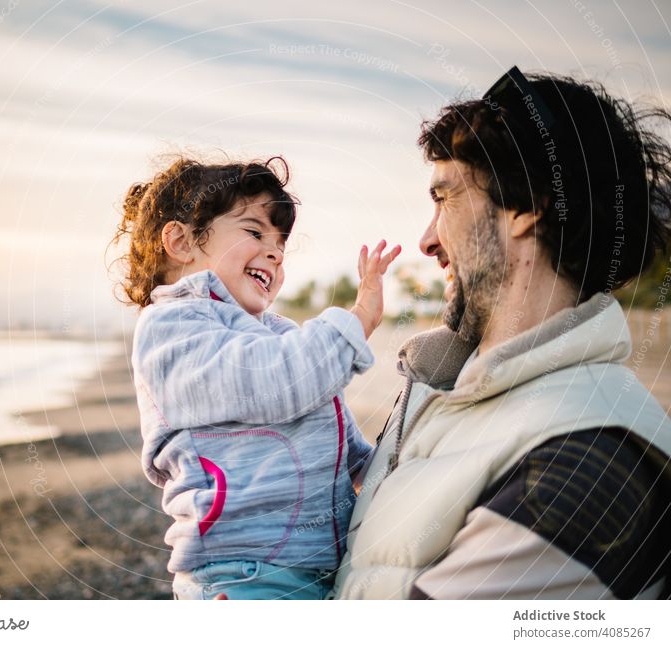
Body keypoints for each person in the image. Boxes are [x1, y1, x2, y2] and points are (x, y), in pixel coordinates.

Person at [332, 67, 671, 599]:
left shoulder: (584, 464)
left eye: (444, 198)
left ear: (527, 204)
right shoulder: (440, 386)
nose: (426, 240)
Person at [116, 156, 400, 599]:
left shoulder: (277, 335)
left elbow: (343, 445)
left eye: (281, 246)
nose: (275, 253)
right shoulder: (171, 327)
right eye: (254, 232)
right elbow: (278, 380)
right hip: (240, 575)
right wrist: (358, 319)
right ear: (180, 241)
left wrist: (393, 459)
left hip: (315, 571)